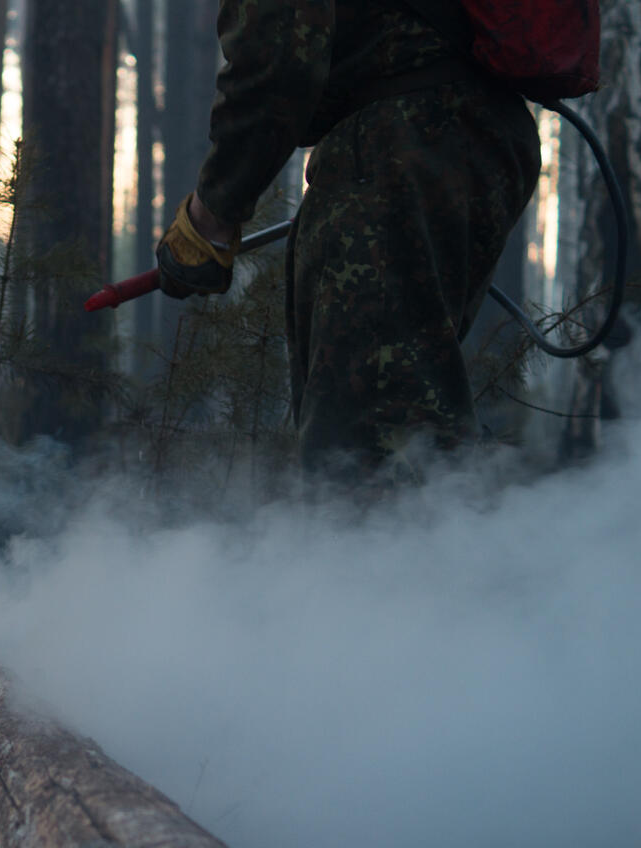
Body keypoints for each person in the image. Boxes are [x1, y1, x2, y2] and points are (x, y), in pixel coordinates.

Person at [156, 0, 541, 486]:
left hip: (401, 146)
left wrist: (208, 218)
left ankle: (377, 560)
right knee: (411, 420)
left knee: (368, 452)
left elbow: (277, 57)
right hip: (476, 139)